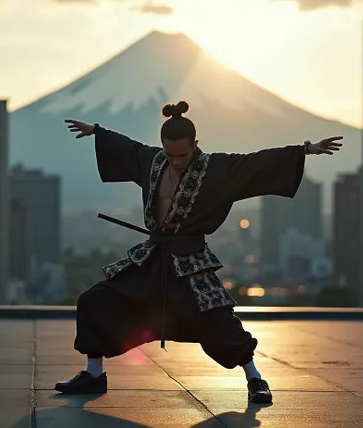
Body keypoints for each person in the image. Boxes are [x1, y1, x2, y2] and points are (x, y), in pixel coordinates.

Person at [54, 100, 343, 403]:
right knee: (95, 300)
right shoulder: (153, 162)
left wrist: (305, 150)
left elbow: (255, 162)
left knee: (218, 318)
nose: (176, 161)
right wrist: (97, 132)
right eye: (169, 154)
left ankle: (255, 378)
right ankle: (94, 374)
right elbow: (128, 147)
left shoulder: (216, 169)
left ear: (195, 144)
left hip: (189, 261)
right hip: (152, 257)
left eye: (182, 154)